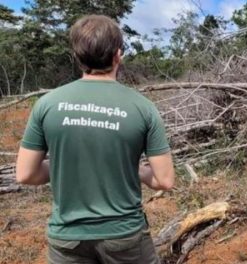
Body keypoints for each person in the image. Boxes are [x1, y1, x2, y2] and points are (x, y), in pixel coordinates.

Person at [15, 14, 175, 264]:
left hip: (67, 238)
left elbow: (25, 174)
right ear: (118, 55)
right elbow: (164, 180)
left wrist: (60, 163)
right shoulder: (143, 108)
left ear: (77, 57)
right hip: (124, 235)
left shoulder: (46, 104)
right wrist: (134, 169)